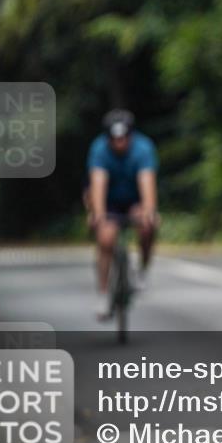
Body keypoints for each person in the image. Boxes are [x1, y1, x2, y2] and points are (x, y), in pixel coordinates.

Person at [85, 109, 159, 319]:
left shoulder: (143, 148)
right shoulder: (99, 149)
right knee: (106, 239)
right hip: (109, 201)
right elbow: (98, 183)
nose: (120, 143)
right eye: (114, 139)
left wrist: (150, 211)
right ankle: (102, 293)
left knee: (147, 225)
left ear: (131, 136)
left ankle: (142, 272)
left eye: (124, 138)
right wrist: (98, 214)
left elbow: (147, 182)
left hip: (134, 199)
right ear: (107, 137)